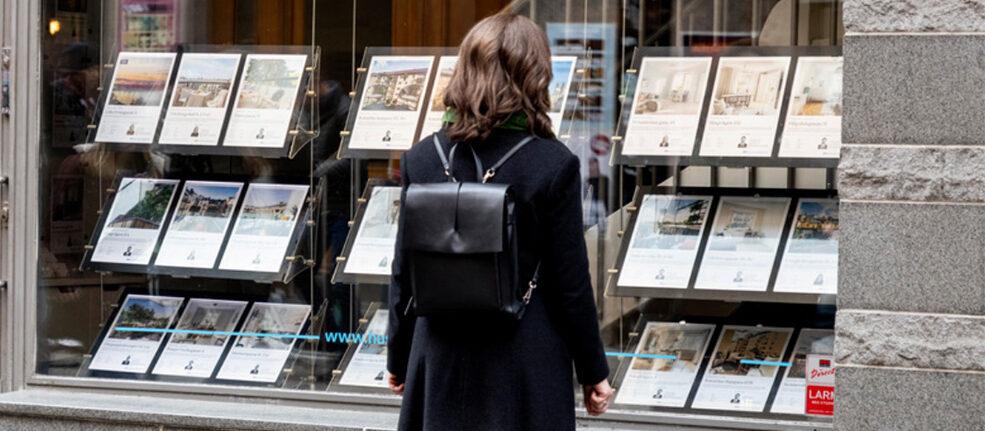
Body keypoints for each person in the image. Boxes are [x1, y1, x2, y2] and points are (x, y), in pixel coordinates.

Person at [387, 13, 613, 430]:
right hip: (524, 359)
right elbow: (570, 283)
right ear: (535, 75)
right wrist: (592, 369)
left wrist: (398, 358)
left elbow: (404, 272)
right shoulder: (553, 164)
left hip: (439, 356)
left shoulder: (421, 158)